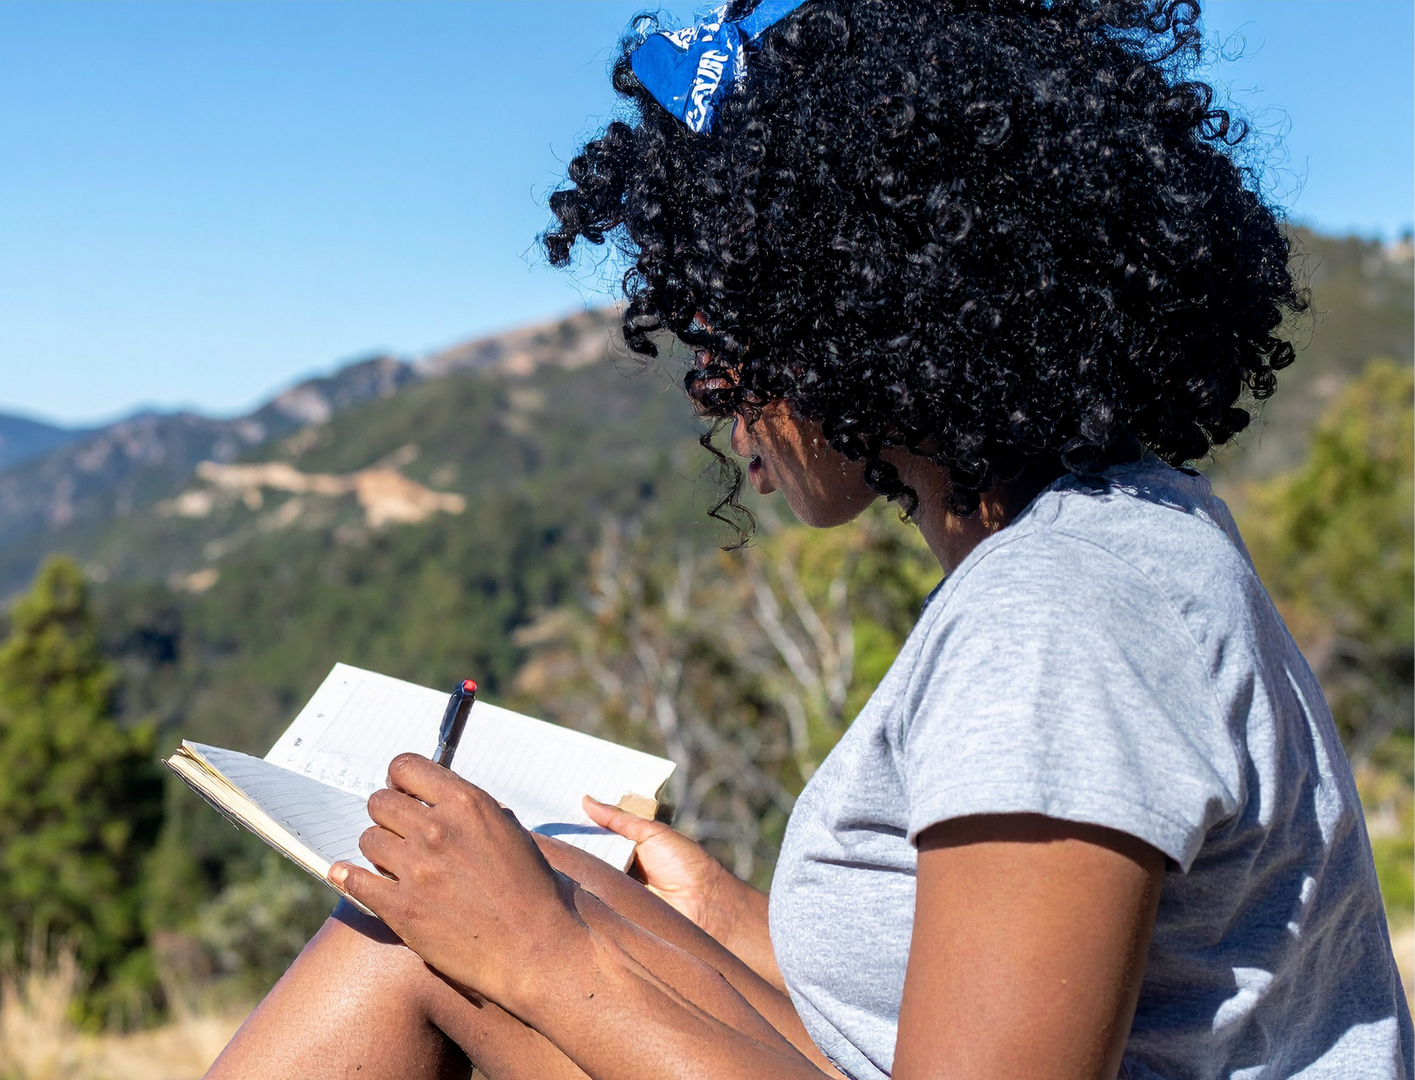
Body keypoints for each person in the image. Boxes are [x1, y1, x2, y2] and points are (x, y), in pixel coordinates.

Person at [204, 1, 1413, 1077]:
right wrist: (717, 922)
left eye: (730, 325)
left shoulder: (1054, 623)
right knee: (531, 880)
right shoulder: (1115, 541)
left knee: (409, 945)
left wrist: (542, 957)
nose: (708, 382)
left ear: (867, 306)